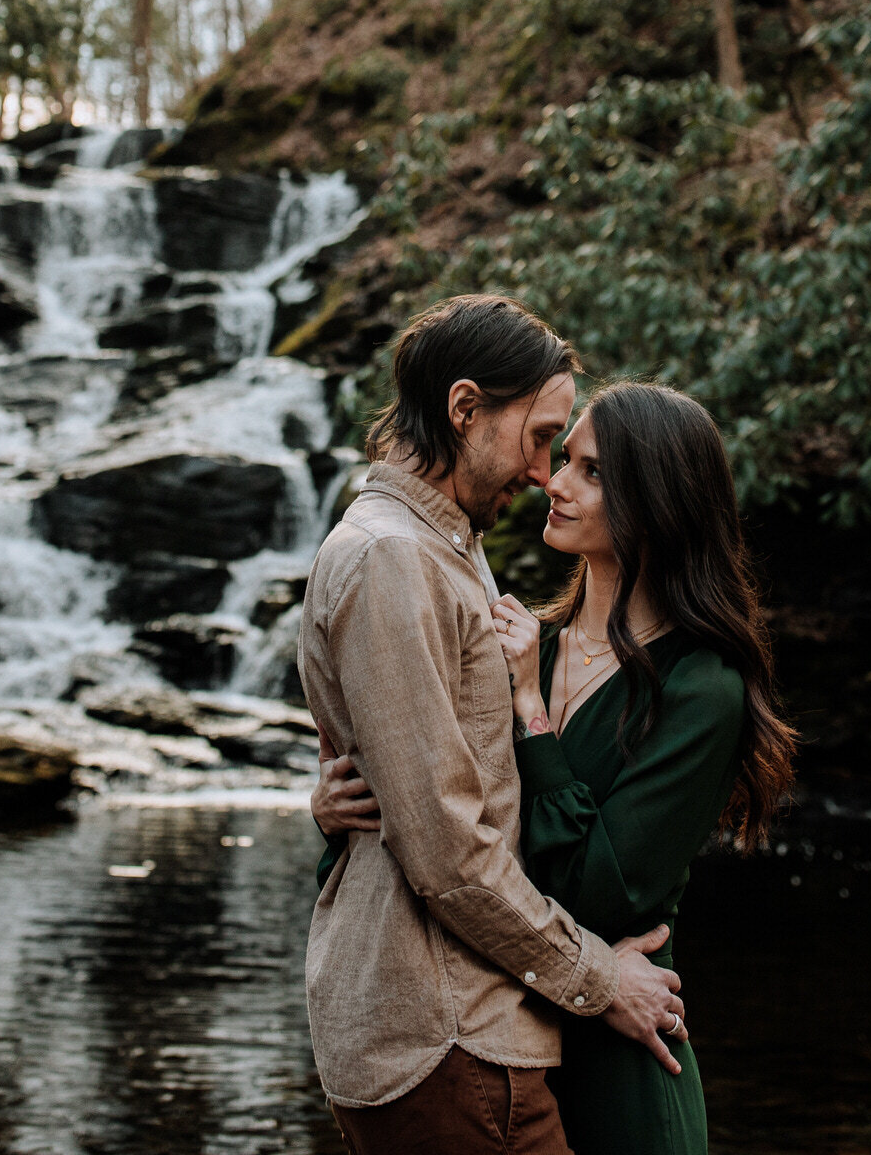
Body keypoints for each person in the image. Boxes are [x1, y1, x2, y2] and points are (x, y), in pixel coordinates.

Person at [314, 379, 797, 1155]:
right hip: (495, 1035)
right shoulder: (519, 640)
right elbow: (433, 827)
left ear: (659, 499)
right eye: (561, 457)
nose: (552, 480)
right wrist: (338, 810)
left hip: (618, 1053)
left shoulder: (700, 686)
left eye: (591, 470)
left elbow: (600, 893)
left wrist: (533, 717)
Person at [297, 297, 689, 1155]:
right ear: (464, 408)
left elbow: (413, 772)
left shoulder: (443, 546)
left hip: (469, 1025)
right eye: (541, 437)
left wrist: (329, 802)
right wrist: (599, 979)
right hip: (447, 1034)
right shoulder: (393, 558)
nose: (546, 474)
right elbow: (442, 843)